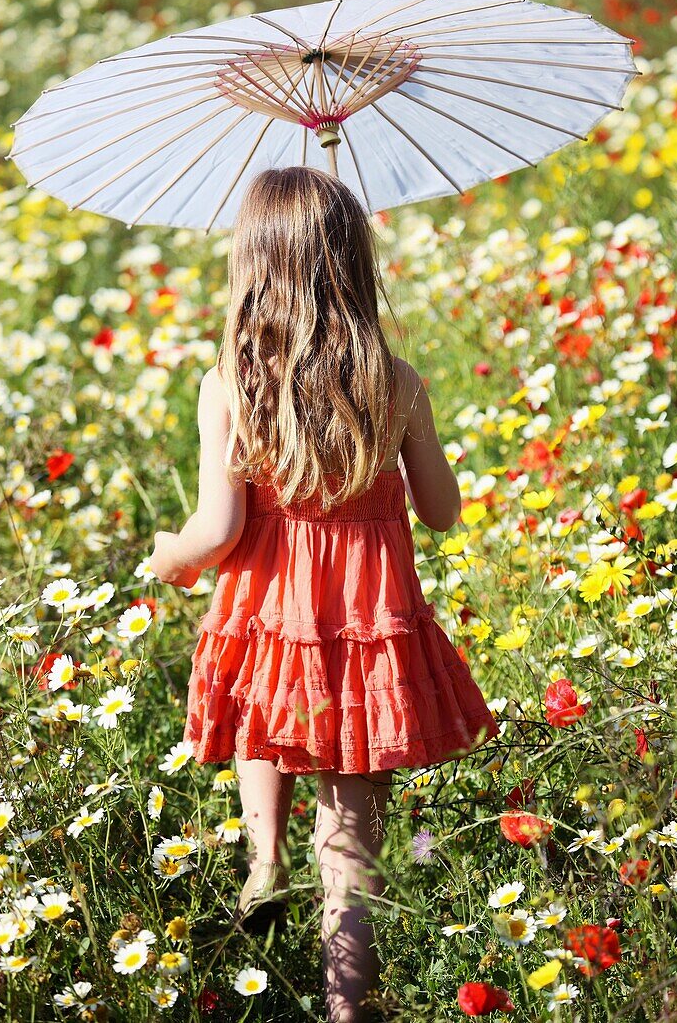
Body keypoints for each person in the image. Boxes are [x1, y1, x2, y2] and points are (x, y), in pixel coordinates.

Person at [148, 166, 500, 1023]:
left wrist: (169, 559)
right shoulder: (395, 379)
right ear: (353, 260)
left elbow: (217, 530)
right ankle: (351, 1002)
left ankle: (263, 862)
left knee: (263, 719)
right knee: (351, 828)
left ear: (252, 264)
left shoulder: (230, 386)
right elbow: (445, 513)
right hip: (366, 629)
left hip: (267, 617)